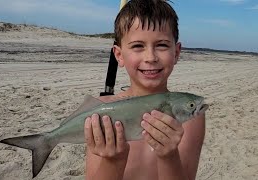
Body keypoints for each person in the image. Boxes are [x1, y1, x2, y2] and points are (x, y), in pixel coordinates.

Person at [84, 0, 206, 179]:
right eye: (137, 46)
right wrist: (113, 161)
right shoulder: (99, 111)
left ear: (177, 52)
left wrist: (168, 156)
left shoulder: (192, 119)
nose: (150, 57)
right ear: (119, 55)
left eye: (162, 45)